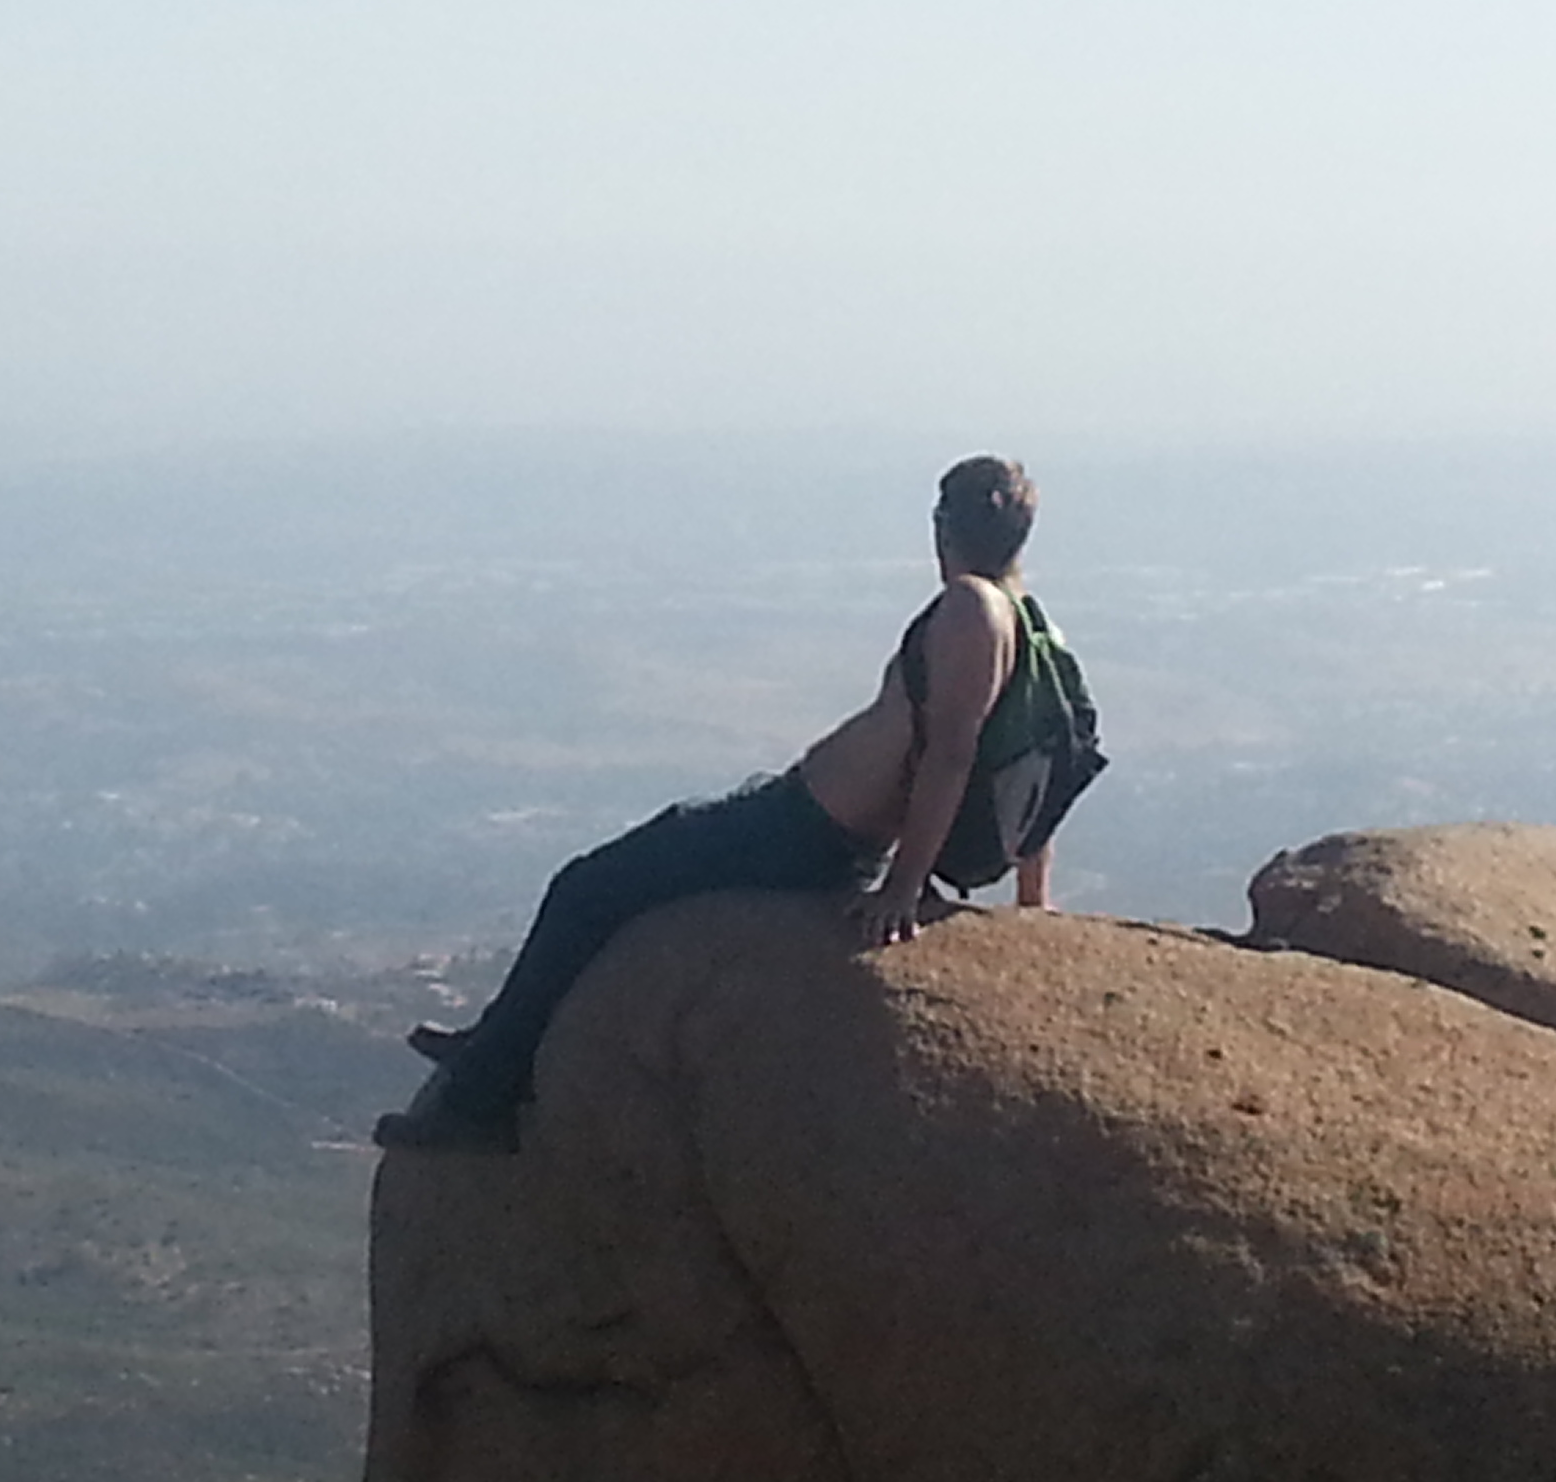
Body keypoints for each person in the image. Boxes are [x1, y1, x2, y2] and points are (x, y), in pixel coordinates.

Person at [376, 455, 1067, 1154]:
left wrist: (904, 887)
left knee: (586, 888)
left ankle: (482, 1101)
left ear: (945, 526)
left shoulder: (970, 608)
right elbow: (1041, 760)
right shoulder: (1026, 618)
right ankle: (492, 1042)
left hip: (806, 834)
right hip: (812, 826)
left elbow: (954, 755)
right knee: (620, 871)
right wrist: (1032, 896)